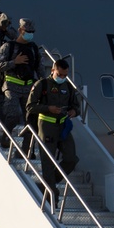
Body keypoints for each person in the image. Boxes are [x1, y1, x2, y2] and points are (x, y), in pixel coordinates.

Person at [25, 58, 80, 197]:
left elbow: (76, 105)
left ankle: (49, 182)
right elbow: (30, 107)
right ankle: (51, 192)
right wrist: (48, 108)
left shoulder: (68, 87)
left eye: (65, 75)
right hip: (46, 125)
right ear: (53, 70)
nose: (62, 78)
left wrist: (74, 111)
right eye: (59, 74)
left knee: (71, 159)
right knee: (47, 161)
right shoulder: (42, 85)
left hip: (63, 126)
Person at [0, 18, 44, 156]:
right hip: (11, 85)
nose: (30, 34)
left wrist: (43, 85)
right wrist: (14, 62)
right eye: (28, 31)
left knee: (30, 120)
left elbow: (39, 69)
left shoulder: (34, 49)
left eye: (32, 32)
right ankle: (6, 137)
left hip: (28, 88)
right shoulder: (8, 47)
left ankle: (27, 149)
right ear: (21, 30)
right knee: (13, 114)